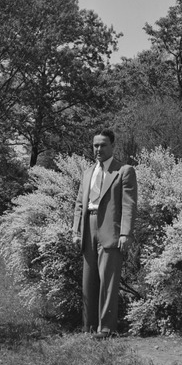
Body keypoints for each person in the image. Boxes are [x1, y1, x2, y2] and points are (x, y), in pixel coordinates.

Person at [71, 129, 137, 339]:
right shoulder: (87, 172)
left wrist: (125, 233)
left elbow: (128, 205)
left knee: (108, 280)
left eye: (103, 145)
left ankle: (106, 329)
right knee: (88, 279)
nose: (98, 149)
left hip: (110, 229)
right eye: (95, 145)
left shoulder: (124, 171)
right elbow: (79, 205)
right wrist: (76, 230)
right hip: (88, 226)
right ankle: (88, 326)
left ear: (112, 146)